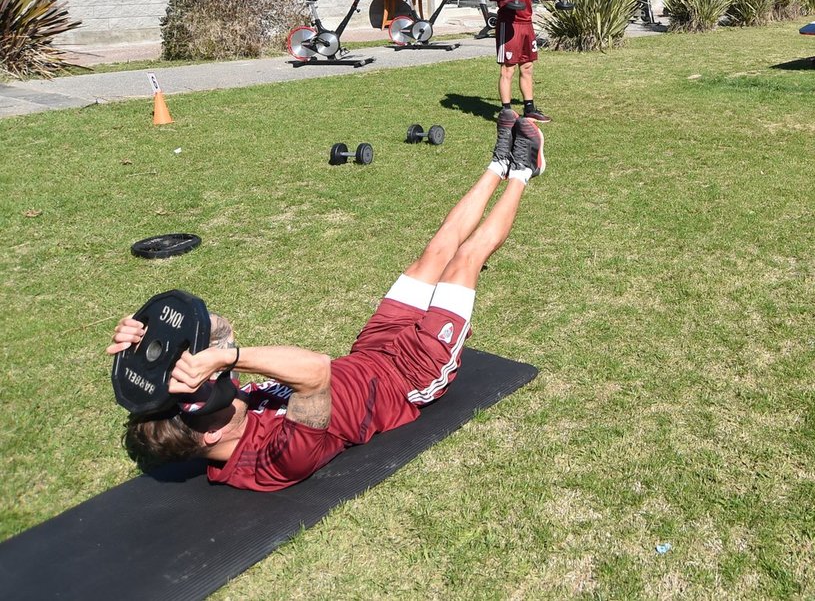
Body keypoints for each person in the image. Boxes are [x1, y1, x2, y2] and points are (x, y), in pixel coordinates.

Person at [107, 116, 546, 491]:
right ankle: (524, 171)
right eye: (212, 394)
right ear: (213, 434)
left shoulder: (219, 414)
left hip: (369, 352)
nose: (220, 387)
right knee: (464, 259)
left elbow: (218, 329)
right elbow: (315, 370)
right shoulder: (280, 459)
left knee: (435, 251)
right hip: (411, 377)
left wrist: (153, 337)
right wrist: (231, 358)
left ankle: (498, 162)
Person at [486, 0, 559, 123]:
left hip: (527, 23)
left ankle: (529, 109)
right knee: (508, 69)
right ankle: (506, 112)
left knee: (527, 67)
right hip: (509, 23)